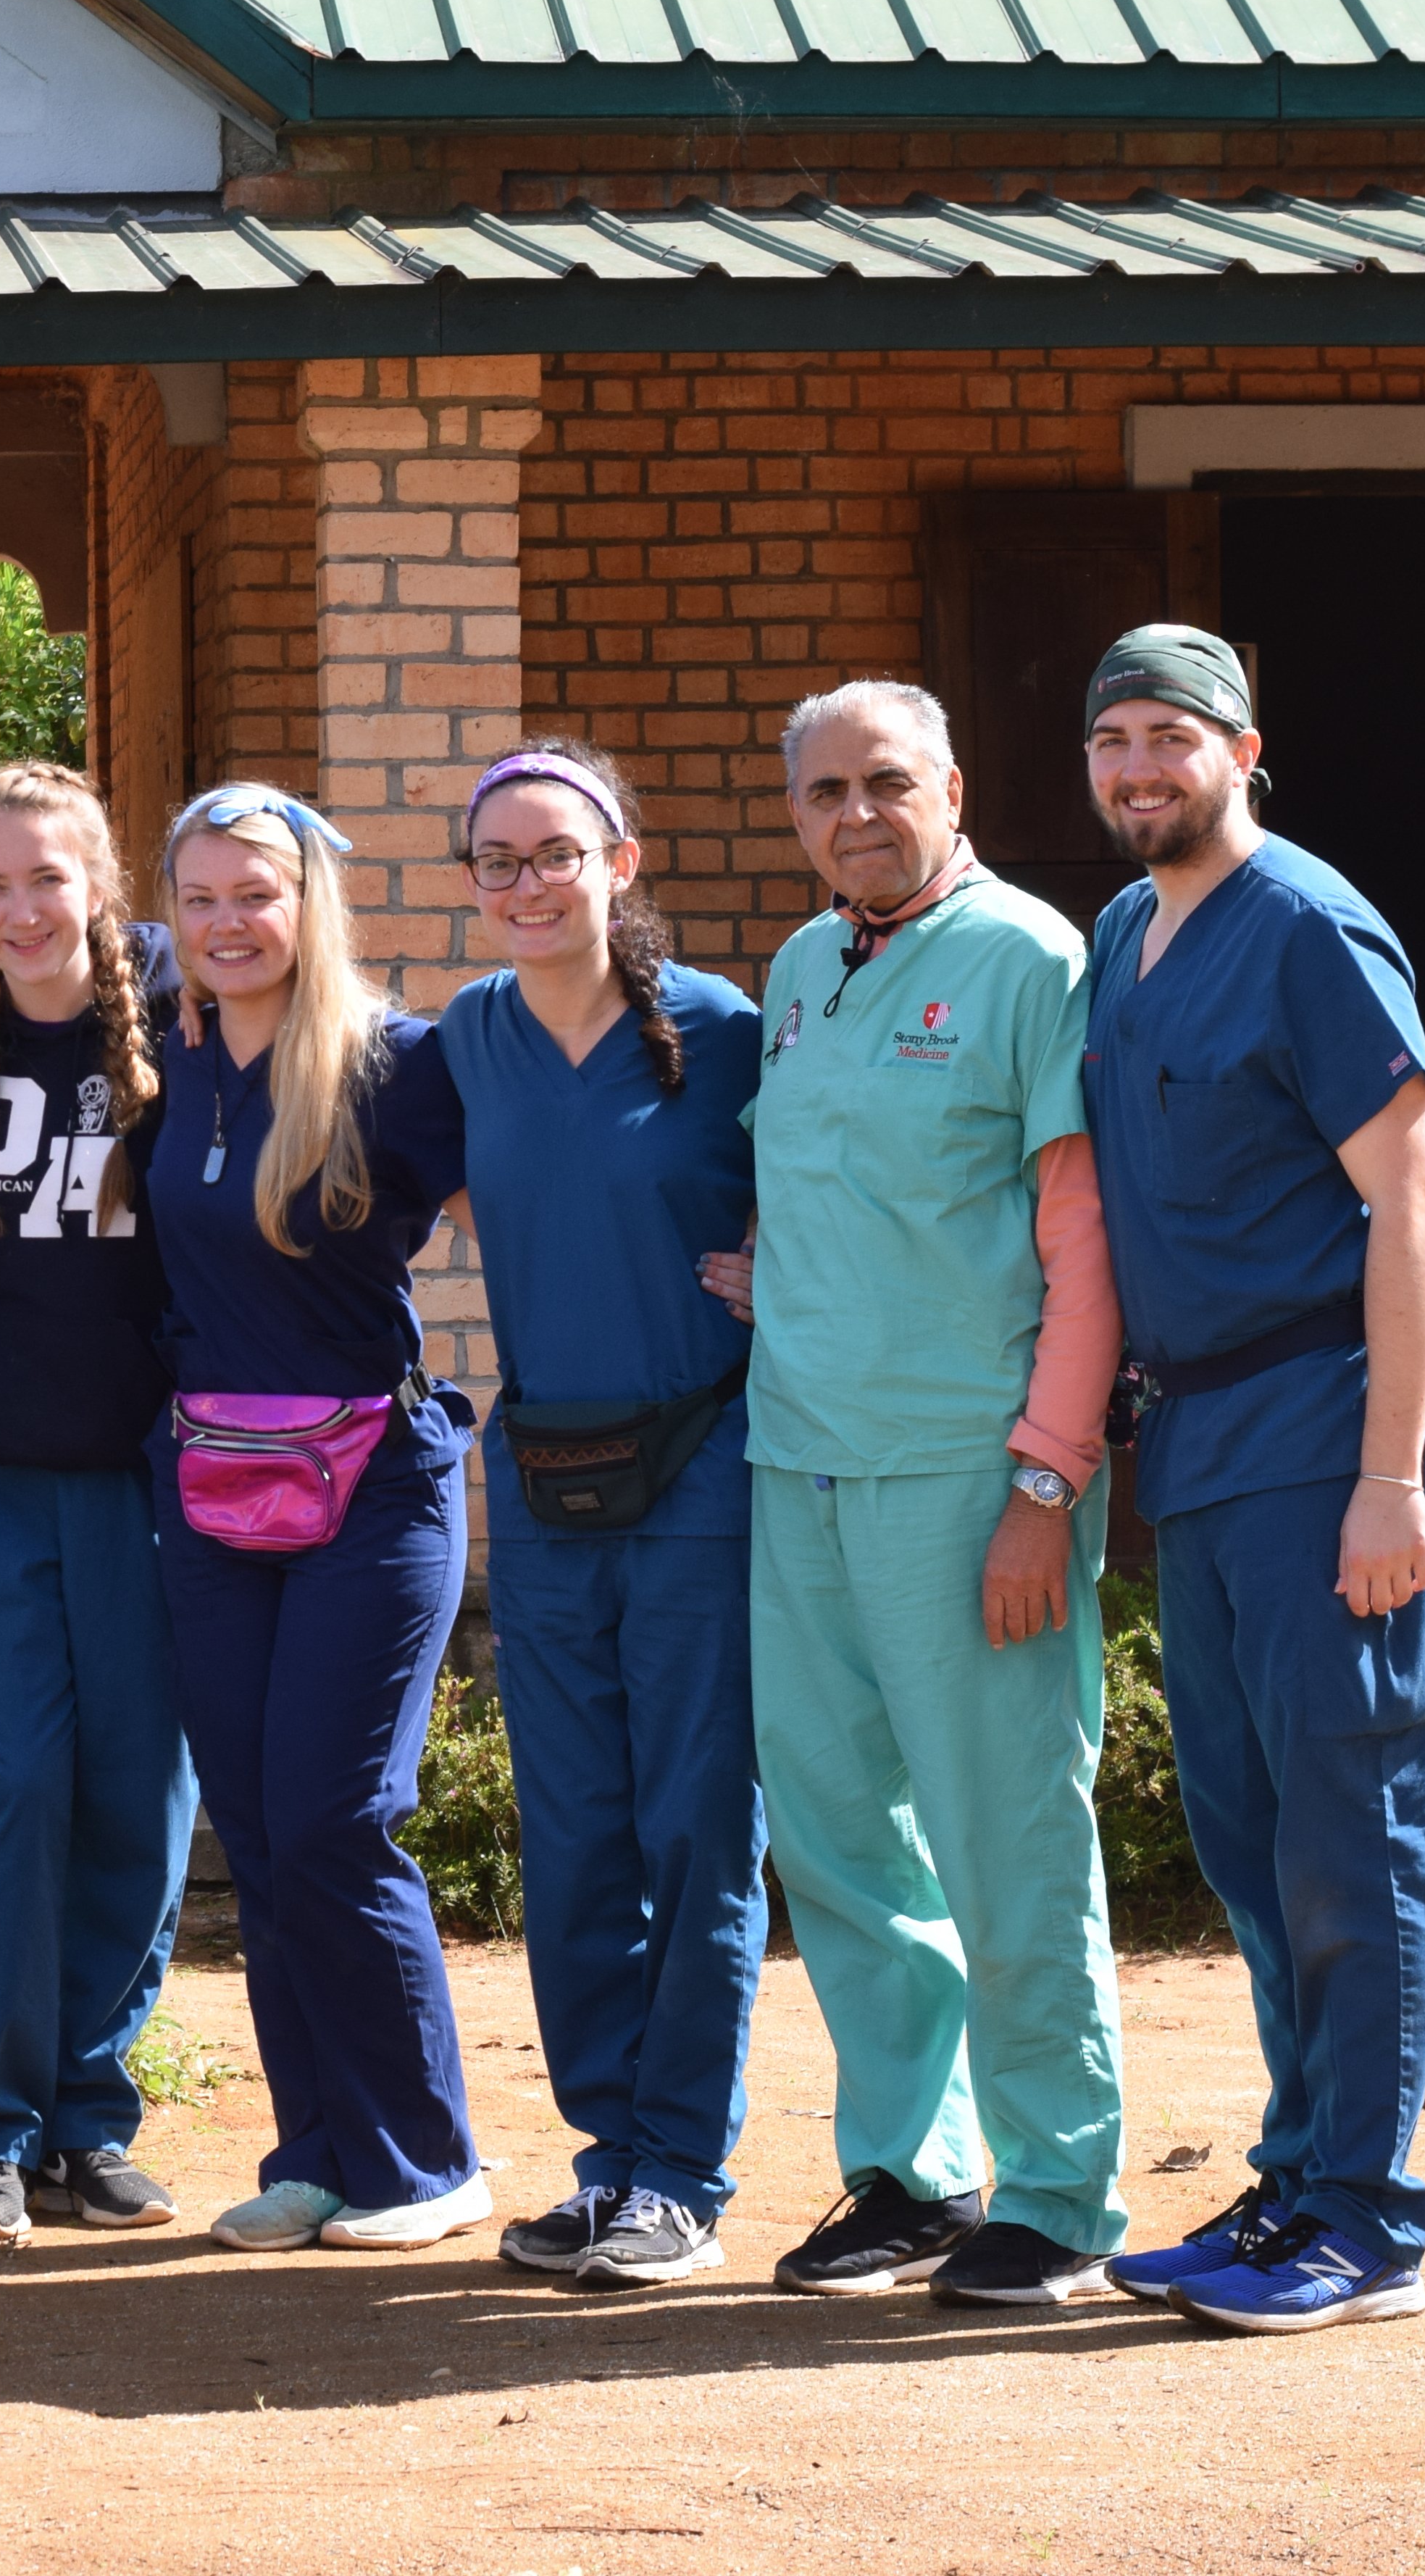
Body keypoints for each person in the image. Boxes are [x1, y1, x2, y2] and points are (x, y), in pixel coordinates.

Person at [1074, 626, 1425, 2335]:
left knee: (1353, 1828)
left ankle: (1369, 2218)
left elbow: (1415, 1200)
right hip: (1207, 1446)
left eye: (1175, 734)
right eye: (1114, 740)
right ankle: (1301, 2176)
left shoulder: (1308, 927)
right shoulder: (1120, 931)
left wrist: (1390, 1473)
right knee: (1250, 1837)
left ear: (1247, 749)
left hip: (1330, 1433)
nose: (1141, 766)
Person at [741, 680, 1131, 2307]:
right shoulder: (804, 965)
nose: (855, 814)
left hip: (971, 1477)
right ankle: (914, 2168)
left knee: (1010, 1836)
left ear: (953, 788)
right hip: (799, 1461)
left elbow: (1084, 1236)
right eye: (824, 790)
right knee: (843, 1851)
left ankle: (1057, 2185)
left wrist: (1047, 1478)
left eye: (886, 783)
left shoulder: (1031, 958)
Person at [143, 783, 489, 2256]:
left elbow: (550, 1187)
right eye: (201, 897)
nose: (228, 922)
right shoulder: (161, 1058)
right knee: (268, 1828)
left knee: (342, 1821)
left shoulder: (400, 1065)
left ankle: (425, 2160)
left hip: (377, 1478)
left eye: (256, 893)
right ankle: (319, 2152)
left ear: (310, 903)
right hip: (214, 1476)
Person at [440, 741, 769, 2291]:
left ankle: (682, 2171)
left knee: (696, 1830)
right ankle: (607, 2156)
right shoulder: (466, 1041)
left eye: (554, 852)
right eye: (496, 860)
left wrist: (800, 1278)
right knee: (572, 1836)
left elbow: (857, 1186)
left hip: (703, 1473)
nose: (526, 882)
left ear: (621, 861)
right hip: (545, 1479)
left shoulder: (725, 1033)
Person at [0, 761, 191, 2246]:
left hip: (147, 1476)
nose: (20, 908)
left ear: (99, 882)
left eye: (46, 877)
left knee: (139, 1787)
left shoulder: (186, 1033)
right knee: (17, 1780)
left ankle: (91, 2113)